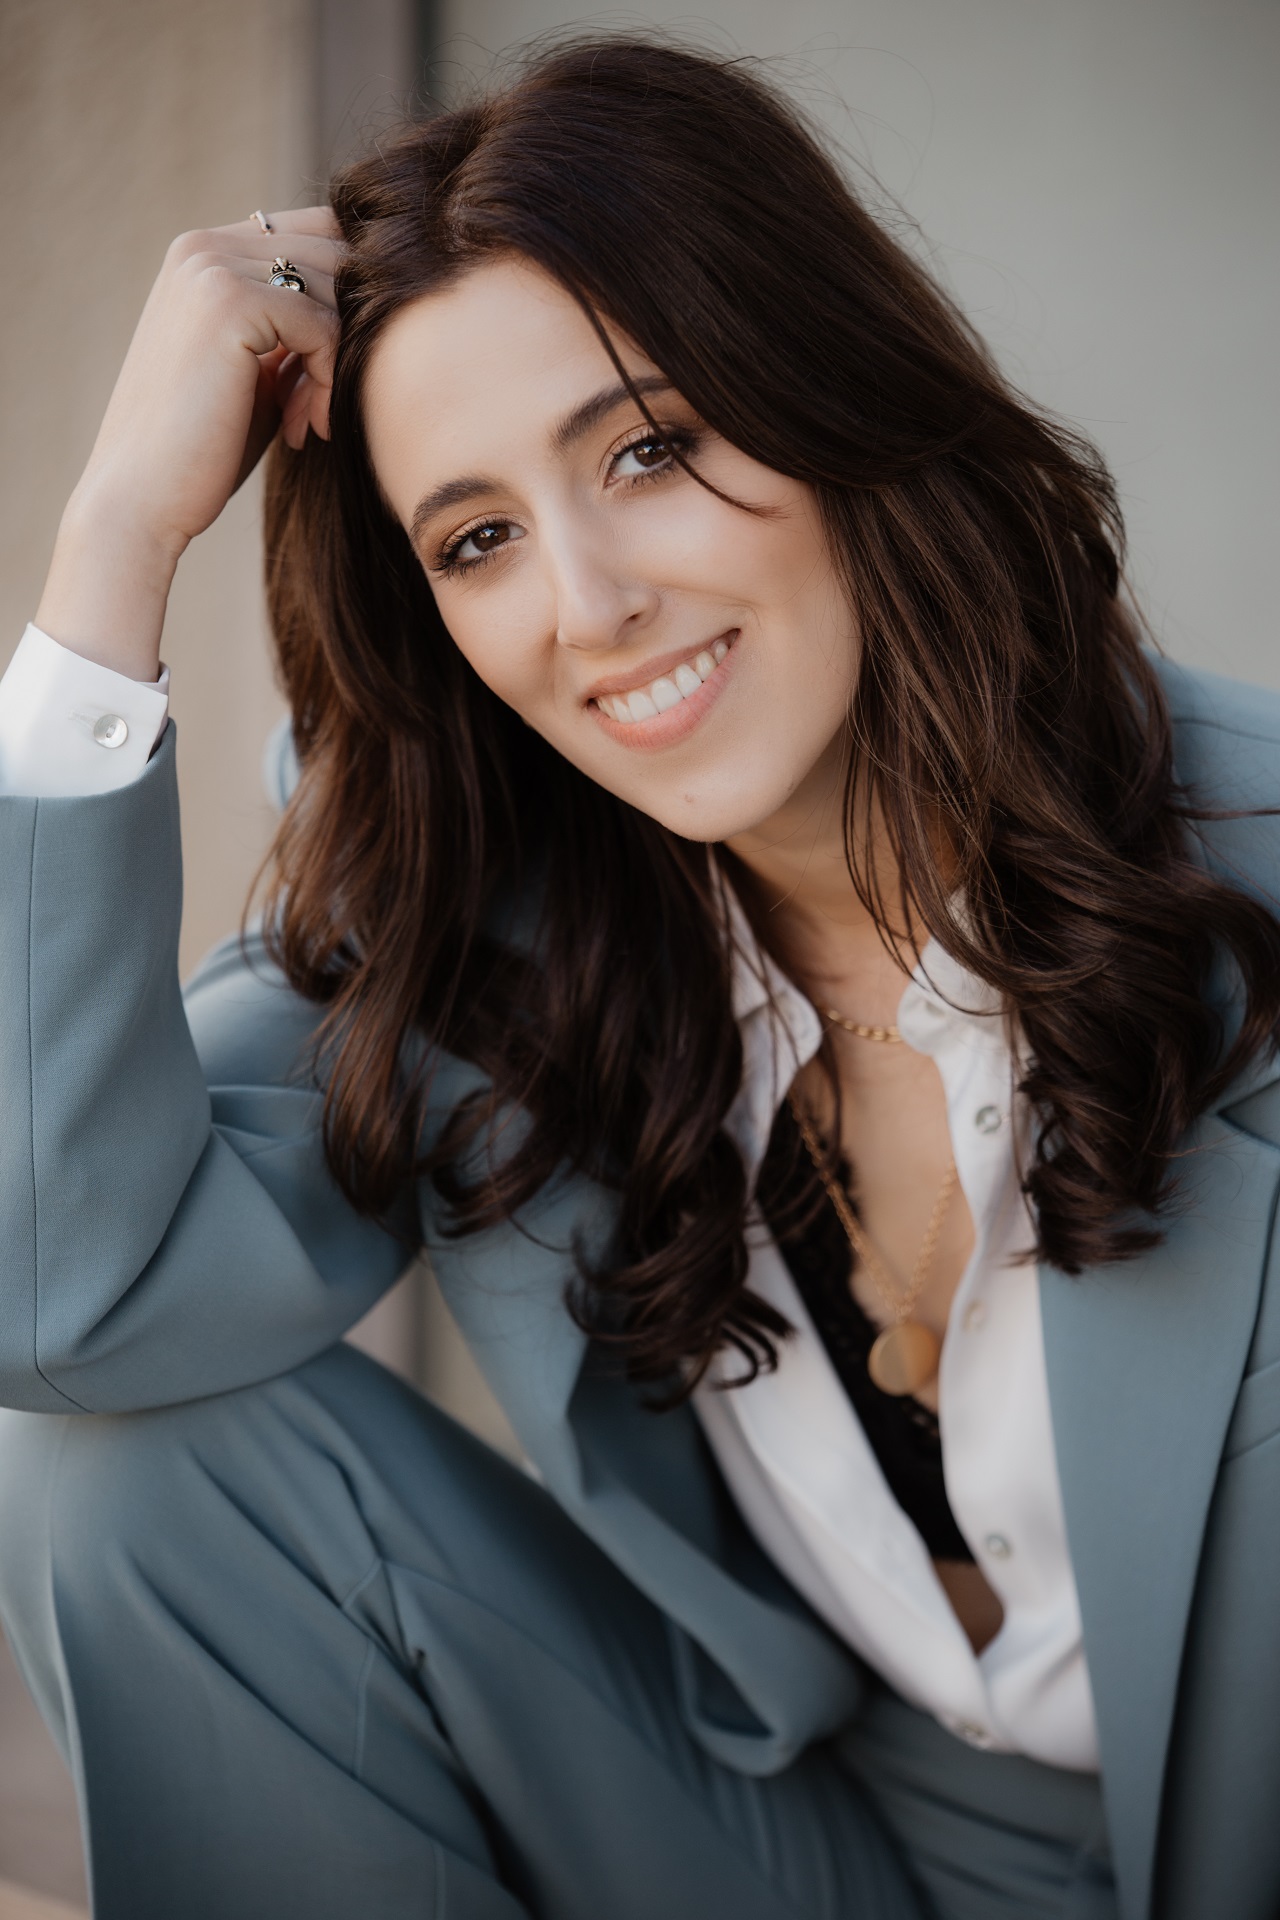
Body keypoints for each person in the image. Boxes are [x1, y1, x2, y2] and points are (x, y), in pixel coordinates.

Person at [0, 35, 1277, 1920]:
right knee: (116, 1471)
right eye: (482, 536)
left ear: (827, 391)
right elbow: (57, 1297)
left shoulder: (1246, 874)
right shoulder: (471, 897)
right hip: (807, 1838)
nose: (590, 604)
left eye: (651, 447)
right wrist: (112, 548)